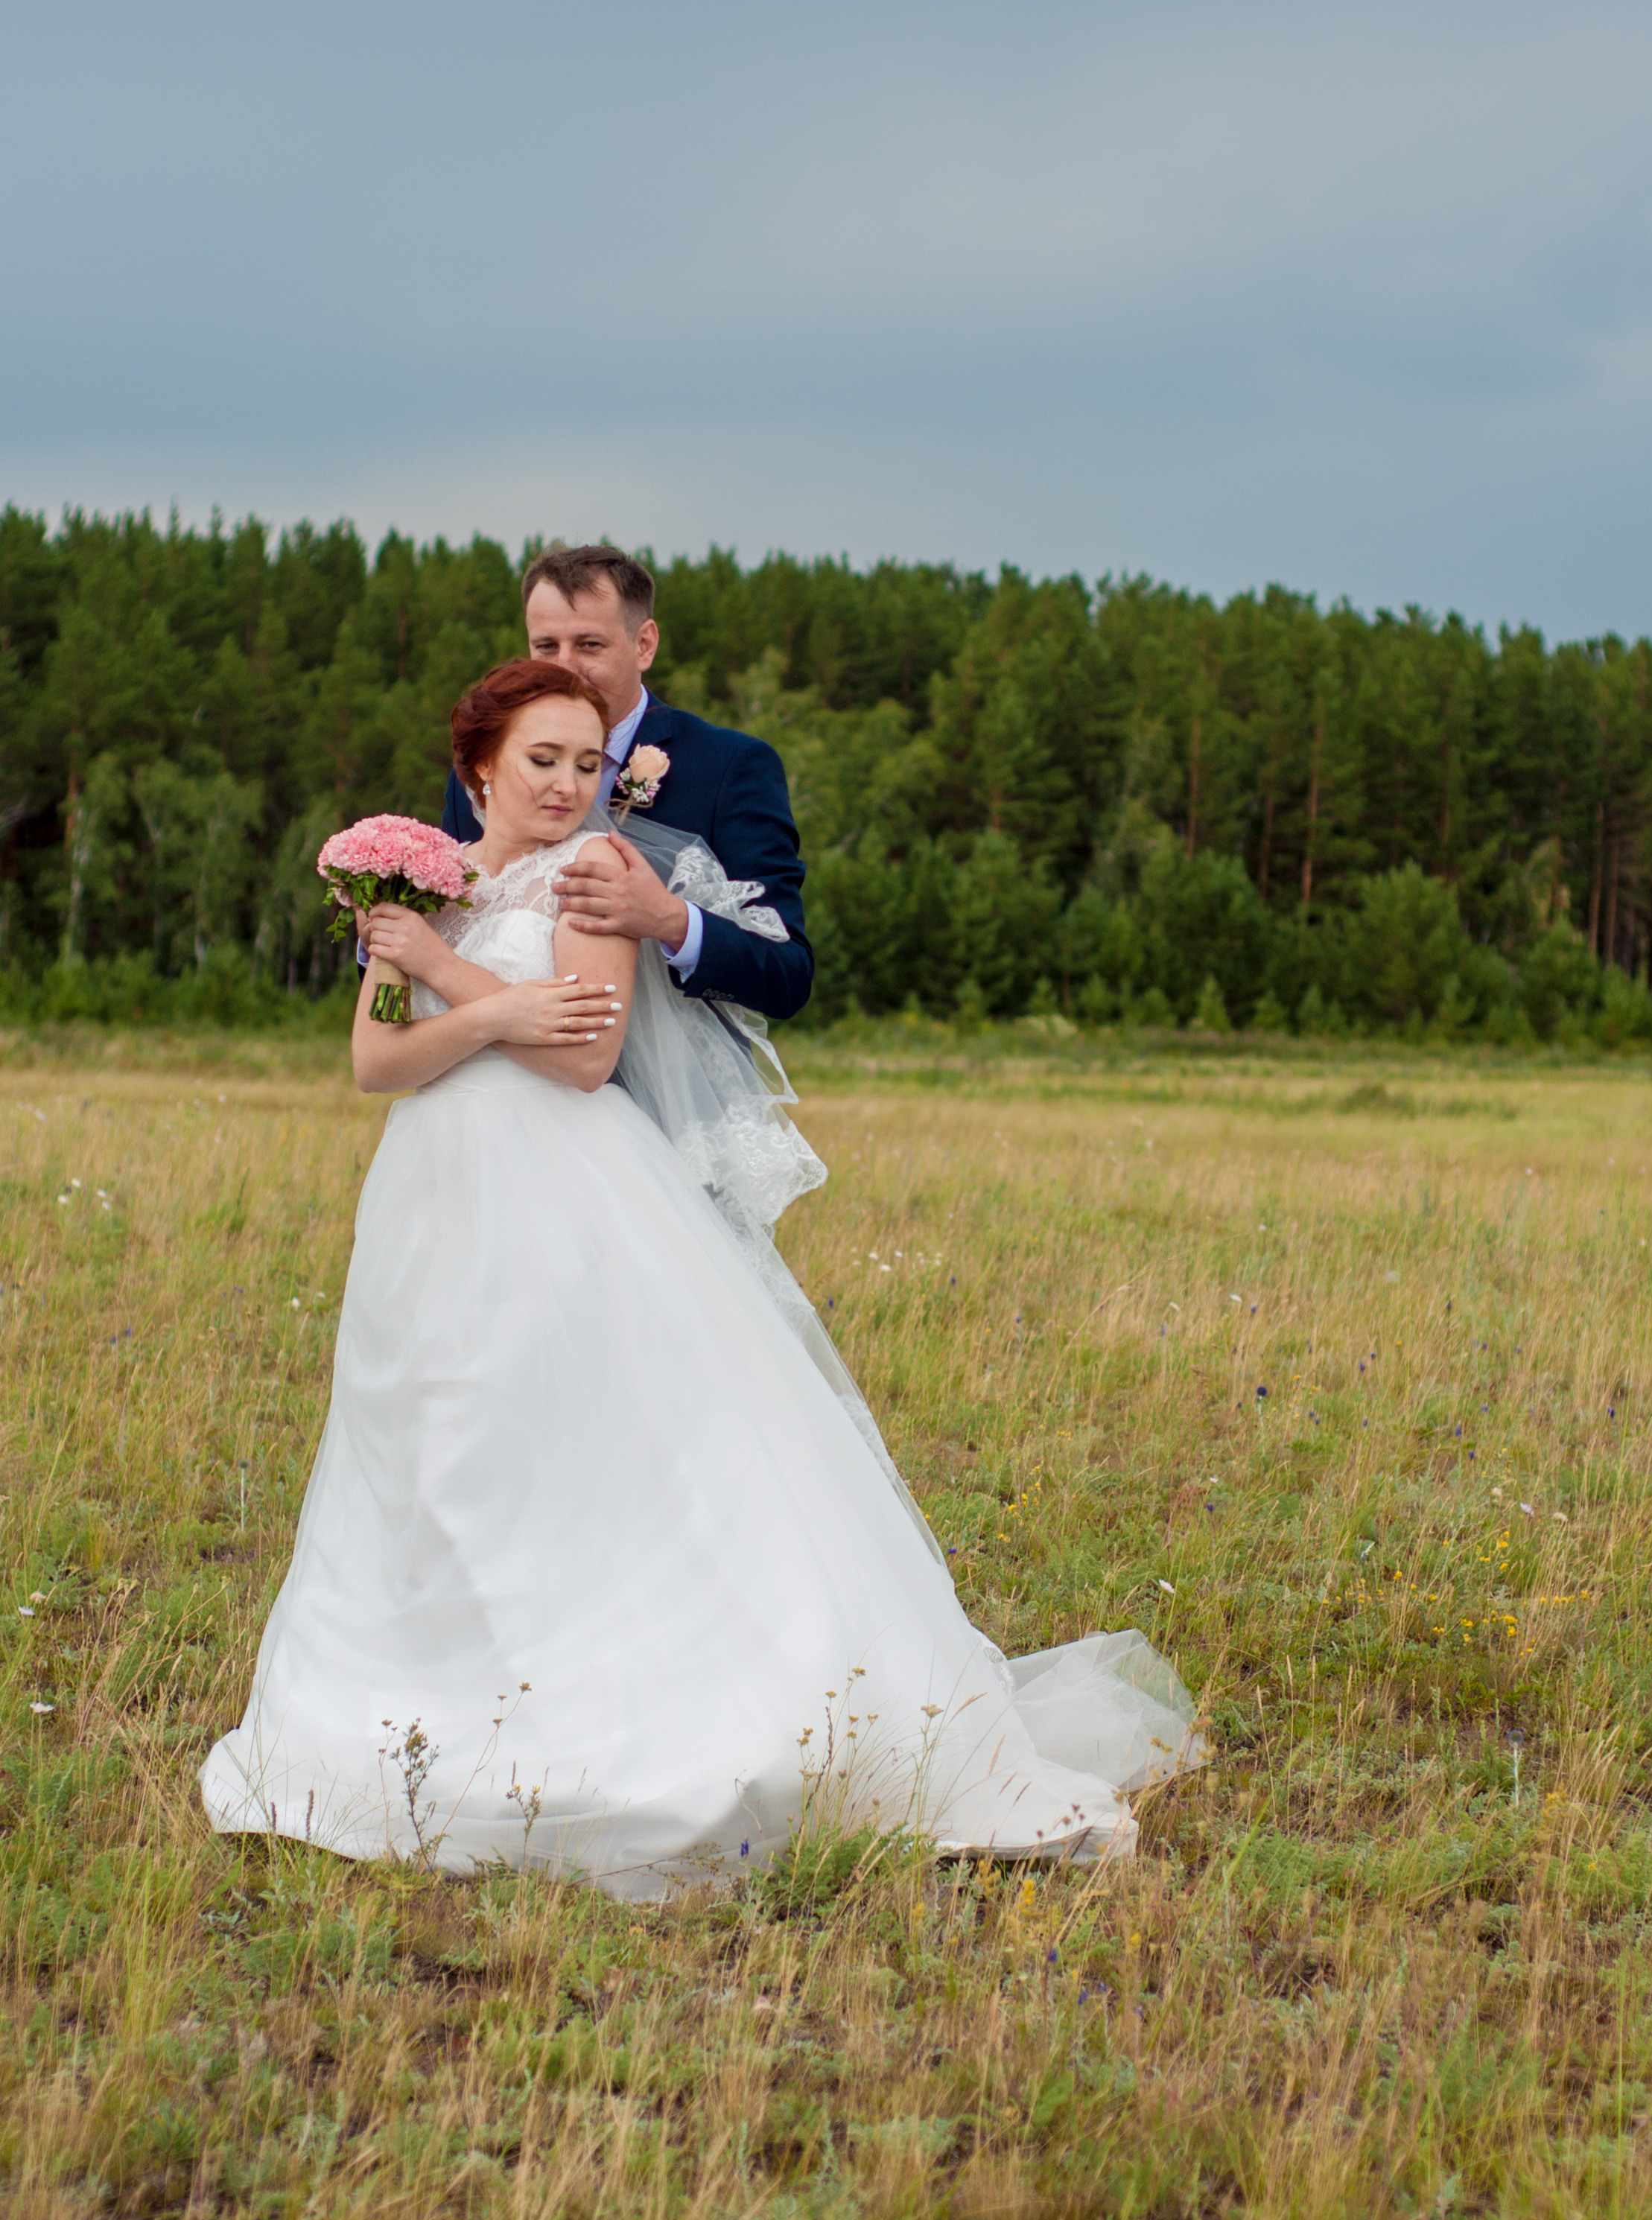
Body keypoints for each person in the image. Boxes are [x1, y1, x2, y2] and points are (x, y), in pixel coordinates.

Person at [203, 658, 1196, 1892]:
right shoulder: (435, 889)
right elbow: (375, 1061)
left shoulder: (595, 880)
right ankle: (427, 1703)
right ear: (478, 772)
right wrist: (470, 987)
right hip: (431, 1200)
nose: (569, 785)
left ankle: (626, 1716)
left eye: (586, 762)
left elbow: (584, 1051)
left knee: (568, 1447)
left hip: (563, 1196)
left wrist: (460, 990)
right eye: (541, 762)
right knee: (434, 1444)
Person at [447, 543, 813, 1028]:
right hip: (503, 1071)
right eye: (546, 646)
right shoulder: (483, 773)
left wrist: (668, 920)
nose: (564, 668)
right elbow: (449, 932)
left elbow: (789, 975)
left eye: (590, 645)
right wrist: (382, 937)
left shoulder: (732, 767)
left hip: (664, 1099)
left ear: (644, 644)